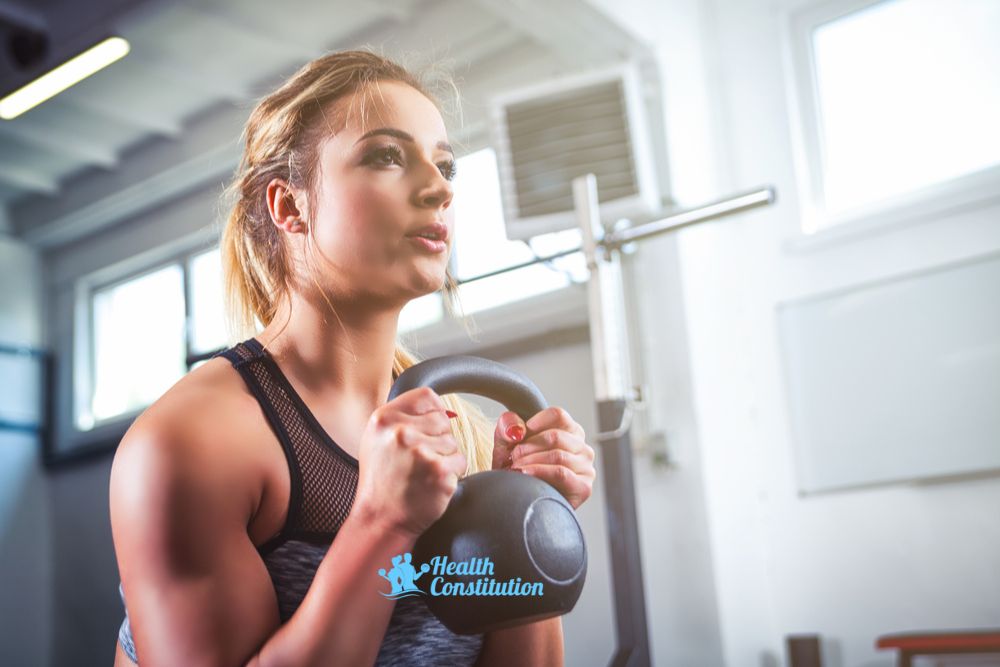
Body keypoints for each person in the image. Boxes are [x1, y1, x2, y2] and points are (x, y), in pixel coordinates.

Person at [109, 49, 597, 667]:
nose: (441, 187)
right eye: (387, 156)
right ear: (290, 207)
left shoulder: (463, 434)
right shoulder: (190, 442)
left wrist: (529, 514)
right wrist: (381, 523)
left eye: (445, 165)